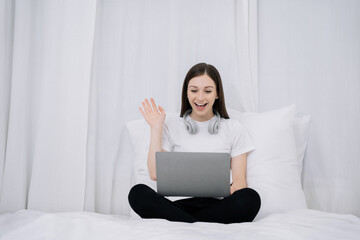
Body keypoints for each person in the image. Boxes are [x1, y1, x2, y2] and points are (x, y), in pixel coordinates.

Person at [128, 63, 261, 224]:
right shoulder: (170, 125)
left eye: (208, 91)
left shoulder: (234, 128)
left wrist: (235, 189)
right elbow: (155, 173)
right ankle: (200, 224)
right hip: (178, 206)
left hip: (218, 206)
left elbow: (240, 180)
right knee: (138, 193)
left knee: (250, 198)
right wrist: (156, 128)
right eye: (193, 90)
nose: (200, 97)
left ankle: (186, 223)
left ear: (217, 93)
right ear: (186, 93)